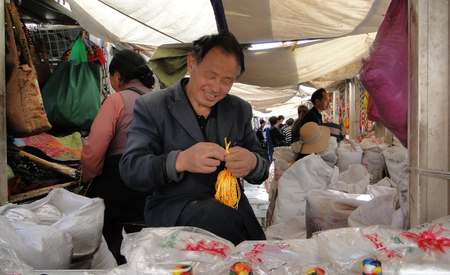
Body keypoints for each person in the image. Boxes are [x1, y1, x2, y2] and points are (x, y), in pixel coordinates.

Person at [119, 31, 269, 246]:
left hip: (233, 214)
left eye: (227, 81)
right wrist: (181, 161)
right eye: (210, 75)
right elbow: (132, 169)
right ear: (191, 63)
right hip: (176, 213)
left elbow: (262, 165)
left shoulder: (239, 110)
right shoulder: (152, 106)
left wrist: (253, 163)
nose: (216, 88)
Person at [80, 49, 155, 264]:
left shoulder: (116, 100)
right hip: (153, 189)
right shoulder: (160, 100)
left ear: (118, 75)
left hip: (120, 189)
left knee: (103, 237)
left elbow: (93, 151)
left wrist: (86, 178)